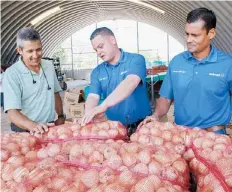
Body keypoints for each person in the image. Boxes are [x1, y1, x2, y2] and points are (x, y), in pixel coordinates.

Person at [140, 7, 232, 134]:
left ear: (211, 34)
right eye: (187, 34)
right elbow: (166, 98)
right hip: (181, 135)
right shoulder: (177, 62)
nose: (188, 40)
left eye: (195, 35)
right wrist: (156, 116)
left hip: (213, 138)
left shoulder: (227, 64)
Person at [81, 27, 151, 135]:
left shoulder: (136, 60)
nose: (98, 52)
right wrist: (89, 114)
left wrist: (103, 106)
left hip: (142, 125)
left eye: (100, 46)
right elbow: (92, 96)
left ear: (112, 40)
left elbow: (130, 82)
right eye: (96, 50)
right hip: (114, 128)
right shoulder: (97, 72)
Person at [3, 27, 66, 134]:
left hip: (48, 126)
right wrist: (33, 126)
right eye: (30, 51)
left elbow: (55, 93)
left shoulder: (49, 66)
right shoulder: (12, 74)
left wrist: (60, 115)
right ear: (19, 50)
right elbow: (12, 112)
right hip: (25, 129)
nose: (35, 55)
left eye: (38, 49)